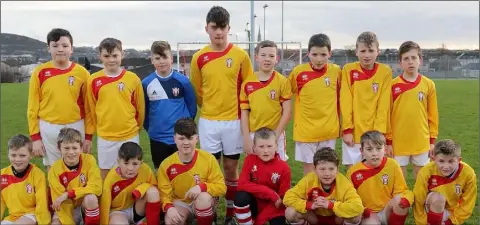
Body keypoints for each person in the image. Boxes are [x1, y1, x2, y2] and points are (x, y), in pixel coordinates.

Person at [189, 6, 253, 222]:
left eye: (222, 27)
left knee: (230, 168)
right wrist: (210, 109)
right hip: (208, 122)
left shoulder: (241, 56)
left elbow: (248, 88)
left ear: (229, 28)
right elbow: (197, 91)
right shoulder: (199, 58)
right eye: (214, 27)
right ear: (207, 28)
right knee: (211, 171)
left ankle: (231, 212)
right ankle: (212, 211)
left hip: (234, 122)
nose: (219, 32)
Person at [27, 28, 91, 170]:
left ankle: (78, 192)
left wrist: (88, 137)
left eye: (65, 45)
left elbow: (89, 108)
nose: (60, 49)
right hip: (49, 127)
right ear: (48, 48)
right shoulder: (40, 72)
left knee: (78, 166)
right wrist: (35, 138)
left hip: (76, 125)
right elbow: (32, 108)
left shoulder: (82, 73)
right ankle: (55, 193)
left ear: (71, 48)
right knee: (53, 168)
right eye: (55, 46)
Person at [86, 37, 145, 179]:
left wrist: (137, 127)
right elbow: (91, 109)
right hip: (106, 136)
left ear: (122, 55)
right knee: (106, 174)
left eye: (115, 55)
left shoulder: (133, 79)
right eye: (106, 56)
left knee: (130, 173)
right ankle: (107, 201)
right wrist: (97, 129)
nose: (111, 60)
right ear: (100, 56)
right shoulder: (93, 80)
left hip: (129, 134)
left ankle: (129, 200)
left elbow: (140, 107)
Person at [287, 33, 341, 175]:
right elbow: (286, 94)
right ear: (308, 54)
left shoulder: (336, 72)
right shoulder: (298, 72)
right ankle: (311, 196)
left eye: (323, 54)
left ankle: (326, 197)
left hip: (328, 131)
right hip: (306, 132)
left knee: (327, 170)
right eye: (314, 54)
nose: (319, 59)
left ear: (330, 53)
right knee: (310, 171)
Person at [157, 118, 226, 225]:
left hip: (204, 202)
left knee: (203, 198)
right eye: (181, 138)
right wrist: (169, 208)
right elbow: (163, 193)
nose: (186, 143)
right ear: (174, 139)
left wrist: (201, 187)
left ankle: (207, 220)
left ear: (197, 139)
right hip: (180, 203)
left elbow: (221, 187)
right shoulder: (166, 165)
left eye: (190, 138)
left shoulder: (208, 159)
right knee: (170, 221)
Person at [386, 41, 439, 179]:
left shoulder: (428, 85)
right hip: (398, 143)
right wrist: (389, 142)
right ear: (400, 62)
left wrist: (432, 141)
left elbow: (433, 115)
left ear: (420, 60)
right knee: (398, 182)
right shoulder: (392, 86)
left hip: (421, 141)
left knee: (422, 182)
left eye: (414, 58)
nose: (410, 62)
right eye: (406, 59)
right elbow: (386, 116)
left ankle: (421, 202)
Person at [340, 31, 393, 168]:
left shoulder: (385, 71)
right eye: (363, 51)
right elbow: (345, 101)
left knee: (374, 174)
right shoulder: (348, 70)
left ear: (378, 51)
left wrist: (378, 132)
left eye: (371, 50)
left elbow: (384, 104)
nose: (367, 55)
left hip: (375, 133)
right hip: (354, 133)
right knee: (353, 174)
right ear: (356, 52)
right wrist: (347, 130)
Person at [142, 40, 197, 170]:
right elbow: (144, 111)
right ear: (152, 60)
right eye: (157, 58)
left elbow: (192, 108)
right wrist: (152, 129)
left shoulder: (183, 81)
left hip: (180, 137)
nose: (161, 61)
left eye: (165, 57)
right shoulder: (146, 83)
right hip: (157, 138)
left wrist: (185, 128)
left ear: (171, 58)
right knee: (161, 172)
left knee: (183, 172)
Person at [239, 40, 292, 161]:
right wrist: (246, 138)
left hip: (275, 133)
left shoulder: (282, 82)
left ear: (277, 58)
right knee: (254, 170)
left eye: (271, 56)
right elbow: (244, 113)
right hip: (254, 134)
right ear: (256, 57)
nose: (267, 59)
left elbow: (287, 111)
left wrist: (276, 136)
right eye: (263, 55)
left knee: (278, 169)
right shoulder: (247, 83)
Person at [346, 131, 413, 225]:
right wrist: (362, 210)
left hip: (387, 209)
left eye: (378, 149)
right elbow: (349, 198)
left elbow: (402, 190)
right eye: (369, 149)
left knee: (399, 201)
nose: (374, 153)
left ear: (385, 149)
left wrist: (406, 199)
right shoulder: (353, 172)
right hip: (368, 213)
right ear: (361, 151)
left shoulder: (392, 165)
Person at [283, 147, 363, 225]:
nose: (327, 174)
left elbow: (358, 206)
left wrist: (331, 205)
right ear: (314, 169)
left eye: (331, 169)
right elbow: (288, 197)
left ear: (337, 169)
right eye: (322, 169)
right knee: (290, 212)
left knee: (356, 215)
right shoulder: (309, 180)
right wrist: (309, 205)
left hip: (336, 218)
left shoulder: (343, 183)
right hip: (314, 218)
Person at [234, 127, 291, 225]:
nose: (265, 150)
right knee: (240, 197)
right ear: (254, 147)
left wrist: (259, 221)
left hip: (274, 206)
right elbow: (242, 184)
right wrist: (270, 193)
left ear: (276, 146)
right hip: (255, 203)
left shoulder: (284, 168)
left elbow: (281, 199)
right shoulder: (249, 160)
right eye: (261, 147)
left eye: (269, 146)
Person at [413, 139, 477, 225]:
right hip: (430, 209)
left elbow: (468, 203)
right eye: (441, 161)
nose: (446, 166)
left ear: (459, 160)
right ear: (434, 159)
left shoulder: (468, 173)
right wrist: (422, 222)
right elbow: (418, 200)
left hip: (454, 212)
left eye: (451, 161)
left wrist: (451, 222)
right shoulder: (426, 171)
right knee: (438, 198)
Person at [48, 128, 102, 225]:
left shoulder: (89, 160)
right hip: (65, 210)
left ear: (81, 148)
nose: (71, 152)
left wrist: (69, 194)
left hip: (84, 206)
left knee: (91, 198)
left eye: (74, 148)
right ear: (59, 148)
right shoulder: (54, 170)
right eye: (66, 148)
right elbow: (61, 204)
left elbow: (97, 187)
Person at [100, 142, 161, 225]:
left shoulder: (145, 169)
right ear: (118, 162)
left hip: (138, 209)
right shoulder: (112, 177)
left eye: (135, 164)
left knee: (153, 192)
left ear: (141, 163)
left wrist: (140, 190)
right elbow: (105, 203)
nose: (130, 168)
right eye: (126, 163)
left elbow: (154, 186)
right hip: (118, 211)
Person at [0, 134, 50, 225]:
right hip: (12, 217)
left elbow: (42, 203)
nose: (17, 159)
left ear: (31, 155)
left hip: (32, 214)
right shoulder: (2, 175)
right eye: (13, 155)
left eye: (22, 155)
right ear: (8, 155)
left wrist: (44, 222)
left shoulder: (38, 175)